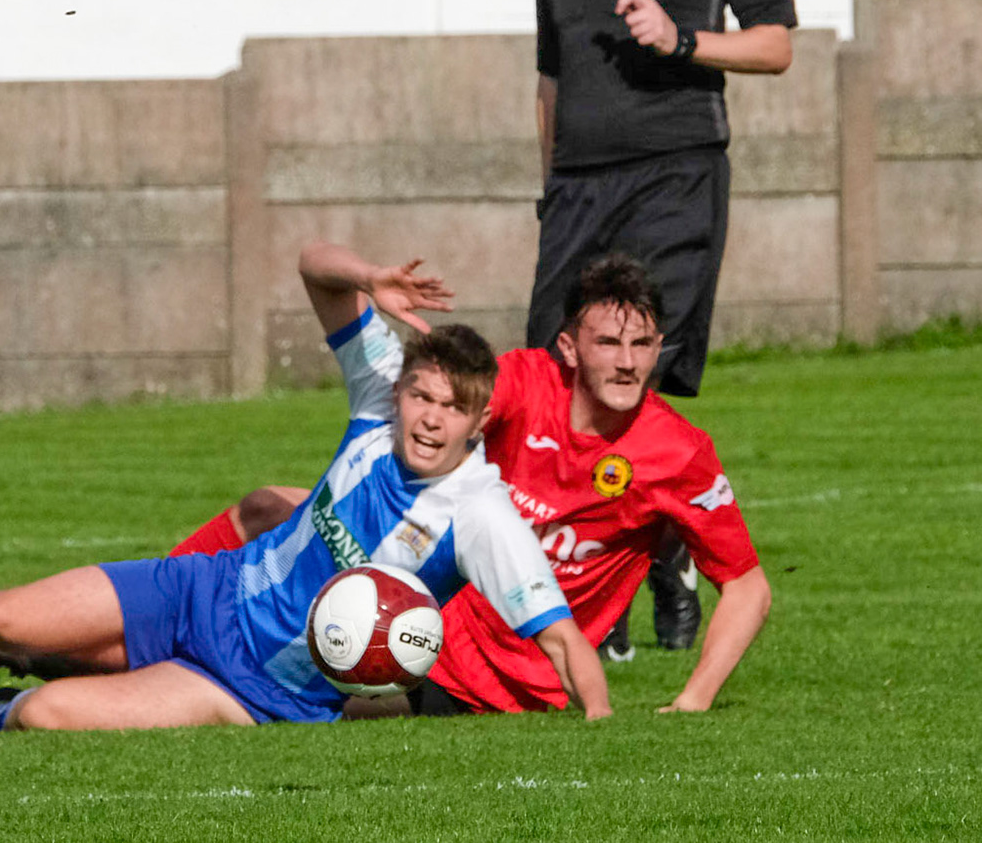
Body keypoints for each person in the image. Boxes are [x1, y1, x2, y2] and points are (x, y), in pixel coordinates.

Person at [0, 246, 610, 732]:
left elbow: (566, 641)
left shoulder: (482, 515)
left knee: (44, 715)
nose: (426, 418)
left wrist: (605, 735)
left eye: (450, 408)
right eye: (420, 396)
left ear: (478, 417)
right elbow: (310, 264)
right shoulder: (379, 396)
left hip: (253, 691)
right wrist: (367, 279)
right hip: (202, 586)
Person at [175, 248, 772, 718]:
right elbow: (450, 401)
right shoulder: (526, 382)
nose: (626, 362)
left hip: (486, 673)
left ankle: (163, 665)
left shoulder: (678, 452)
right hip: (420, 581)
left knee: (252, 689)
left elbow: (747, 586)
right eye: (609, 342)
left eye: (642, 344)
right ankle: (171, 597)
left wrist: (693, 700)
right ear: (568, 347)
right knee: (267, 506)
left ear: (658, 348)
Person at [530, 0, 796, 652]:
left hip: (679, 172)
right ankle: (596, 592)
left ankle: (654, 567)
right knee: (553, 377)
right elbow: (552, 78)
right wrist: (548, 184)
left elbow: (775, 42)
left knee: (635, 371)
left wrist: (684, 39)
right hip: (576, 189)